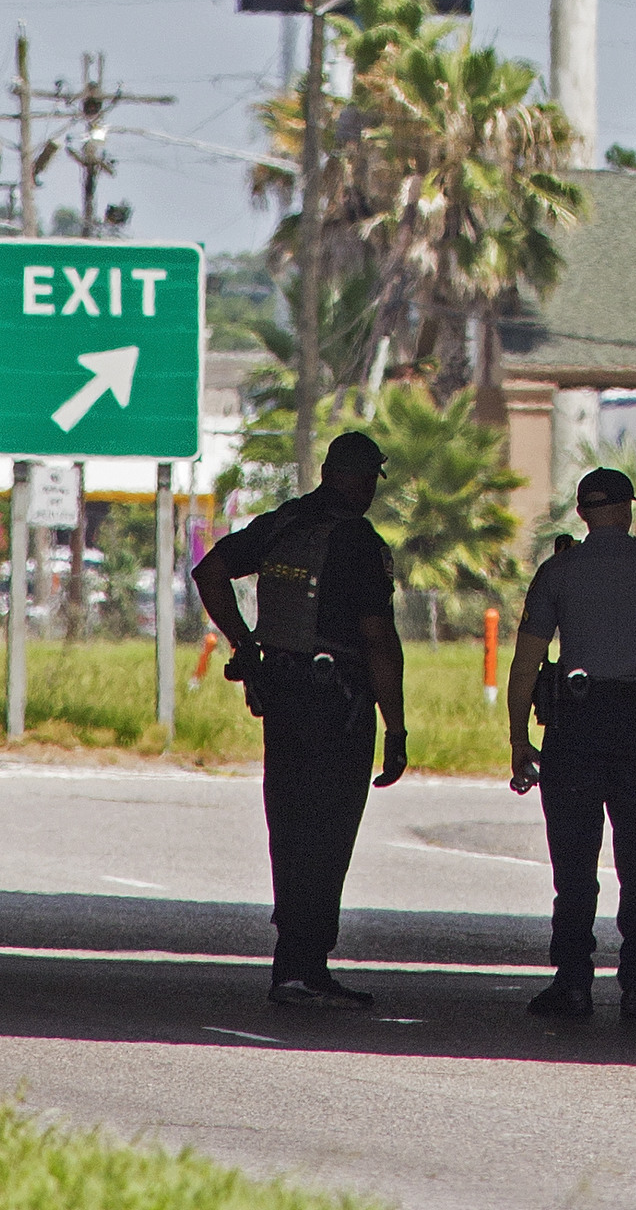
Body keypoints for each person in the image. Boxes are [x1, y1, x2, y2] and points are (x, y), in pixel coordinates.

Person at [193, 426, 409, 1011]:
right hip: (336, 702)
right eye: (369, 479)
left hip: (283, 696)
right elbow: (379, 640)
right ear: (361, 480)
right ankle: (310, 965)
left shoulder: (283, 522)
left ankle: (290, 963)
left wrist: (246, 644)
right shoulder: (362, 542)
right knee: (330, 831)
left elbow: (209, 572)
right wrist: (396, 727)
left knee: (287, 826)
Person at [508, 463, 636, 1023]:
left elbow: (525, 665)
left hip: (574, 729)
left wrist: (520, 739)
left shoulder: (558, 573)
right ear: (627, 510)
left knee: (573, 866)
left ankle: (572, 984)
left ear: (582, 513)